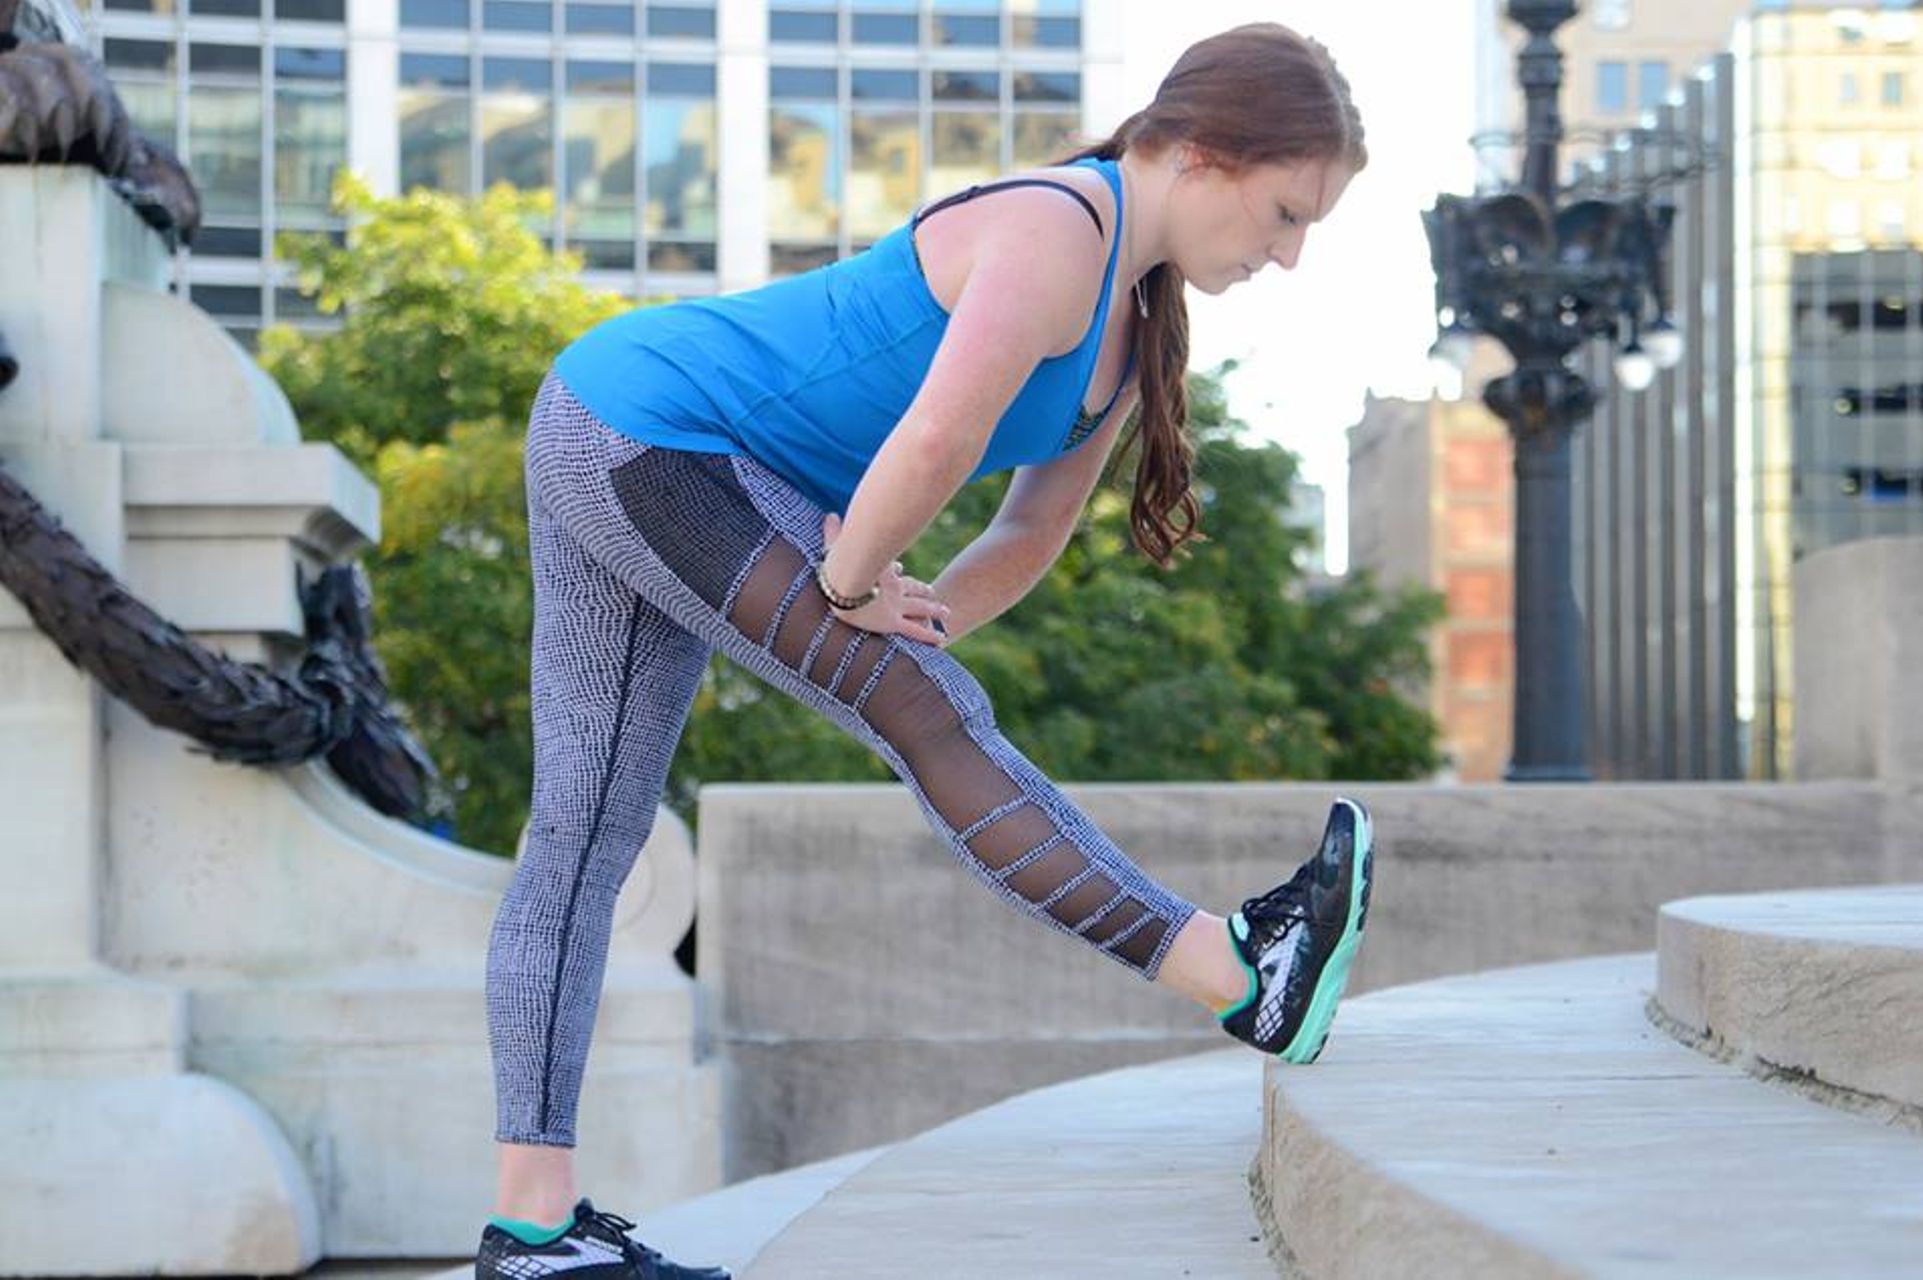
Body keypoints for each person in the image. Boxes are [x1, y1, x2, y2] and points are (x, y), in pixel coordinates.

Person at [476, 21, 1373, 1280]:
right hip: (647, 434)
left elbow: (1030, 527)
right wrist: (855, 588)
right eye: (1287, 215)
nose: (1285, 255)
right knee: (909, 720)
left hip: (671, 445)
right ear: (1211, 154)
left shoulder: (1130, 326)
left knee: (587, 827)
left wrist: (919, 605)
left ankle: (532, 1230)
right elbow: (942, 438)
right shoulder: (1061, 229)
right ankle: (1237, 970)